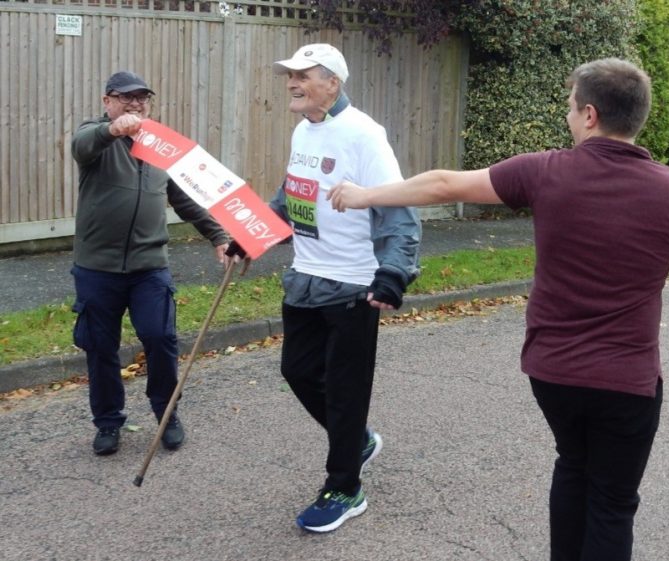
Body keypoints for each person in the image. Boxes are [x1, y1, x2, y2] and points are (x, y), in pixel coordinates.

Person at [329, 58, 669, 560]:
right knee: (613, 501)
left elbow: (446, 185)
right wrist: (659, 250)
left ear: (590, 115)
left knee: (573, 466)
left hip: (553, 373)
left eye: (569, 106)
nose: (567, 116)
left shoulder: (544, 171)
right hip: (628, 382)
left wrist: (365, 195)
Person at [228, 43, 420, 532]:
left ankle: (345, 487)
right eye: (289, 75)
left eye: (303, 75)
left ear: (332, 83)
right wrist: (249, 238)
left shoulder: (364, 135)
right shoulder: (303, 130)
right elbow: (292, 195)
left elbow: (397, 209)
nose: (292, 82)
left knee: (344, 391)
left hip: (354, 286)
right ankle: (356, 441)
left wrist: (393, 273)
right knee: (297, 370)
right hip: (306, 279)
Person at [71, 71, 229, 456]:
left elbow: (184, 198)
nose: (136, 104)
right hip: (97, 269)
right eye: (126, 98)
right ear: (108, 101)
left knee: (160, 339)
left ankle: (167, 415)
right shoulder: (95, 137)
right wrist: (112, 130)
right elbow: (81, 145)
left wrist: (219, 235)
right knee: (101, 348)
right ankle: (108, 423)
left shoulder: (159, 146)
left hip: (150, 267)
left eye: (142, 98)